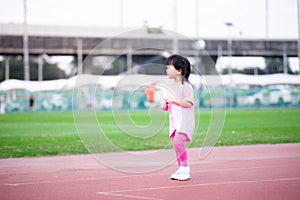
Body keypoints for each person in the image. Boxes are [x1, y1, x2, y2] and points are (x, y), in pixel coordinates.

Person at [161, 54, 195, 181]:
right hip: (174, 122)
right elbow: (167, 106)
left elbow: (189, 103)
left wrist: (174, 100)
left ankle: (185, 167)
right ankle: (181, 167)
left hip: (184, 121)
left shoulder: (186, 87)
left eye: (169, 68)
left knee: (178, 142)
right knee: (175, 145)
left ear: (179, 70)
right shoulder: (170, 88)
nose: (167, 70)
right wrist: (164, 104)